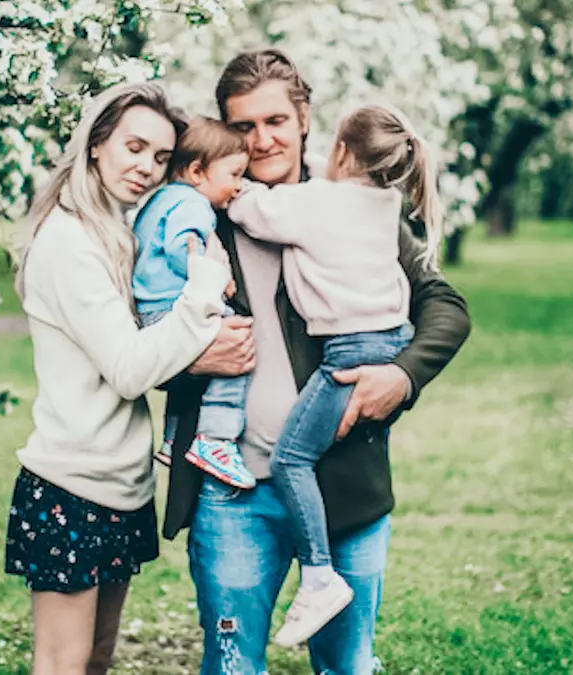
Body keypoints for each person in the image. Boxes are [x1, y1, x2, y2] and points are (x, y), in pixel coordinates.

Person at [160, 49, 472, 674]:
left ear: (305, 118)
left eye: (275, 120)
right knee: (231, 666)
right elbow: (135, 332)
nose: (262, 139)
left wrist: (402, 375)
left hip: (344, 487)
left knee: (348, 667)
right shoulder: (195, 219)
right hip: (233, 493)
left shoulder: (354, 206)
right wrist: (190, 360)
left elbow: (445, 304)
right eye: (243, 126)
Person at [4, 81, 234, 675]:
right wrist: (204, 290)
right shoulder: (68, 241)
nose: (147, 168)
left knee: (98, 659)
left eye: (161, 158)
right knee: (64, 664)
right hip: (71, 486)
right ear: (97, 142)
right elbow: (130, 368)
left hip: (120, 485)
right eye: (134, 147)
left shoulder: (110, 231)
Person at [226, 101, 445, 647]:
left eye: (277, 122)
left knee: (292, 457)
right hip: (388, 338)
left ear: (339, 150)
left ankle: (319, 577)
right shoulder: (382, 202)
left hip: (350, 351)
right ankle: (320, 574)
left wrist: (229, 183)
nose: (262, 139)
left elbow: (254, 211)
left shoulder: (315, 201)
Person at [132, 116, 256, 489]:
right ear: (198, 172)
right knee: (237, 343)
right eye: (234, 174)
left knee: (193, 373)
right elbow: (180, 249)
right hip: (171, 306)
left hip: (149, 309)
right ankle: (216, 439)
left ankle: (174, 438)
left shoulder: (161, 199)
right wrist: (215, 276)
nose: (238, 186)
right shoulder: (193, 205)